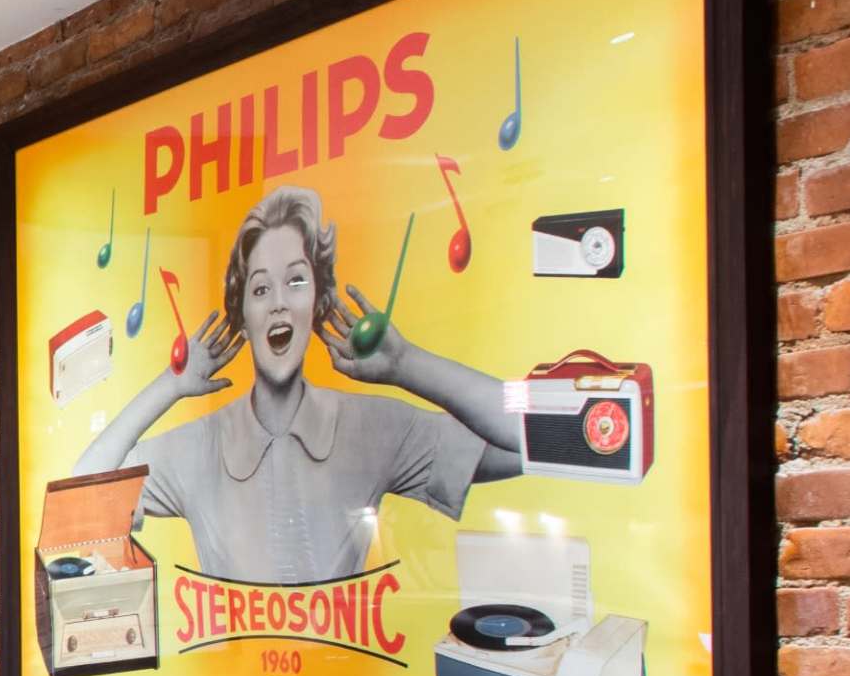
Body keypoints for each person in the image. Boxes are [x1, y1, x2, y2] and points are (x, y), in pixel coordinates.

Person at [77, 185, 521, 585]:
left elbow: (530, 438)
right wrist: (169, 386)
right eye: (260, 289)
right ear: (243, 318)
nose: (279, 304)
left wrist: (407, 365)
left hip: (338, 674)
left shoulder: (371, 428)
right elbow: (80, 499)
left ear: (317, 301)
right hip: (229, 675)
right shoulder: (198, 447)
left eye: (296, 281)